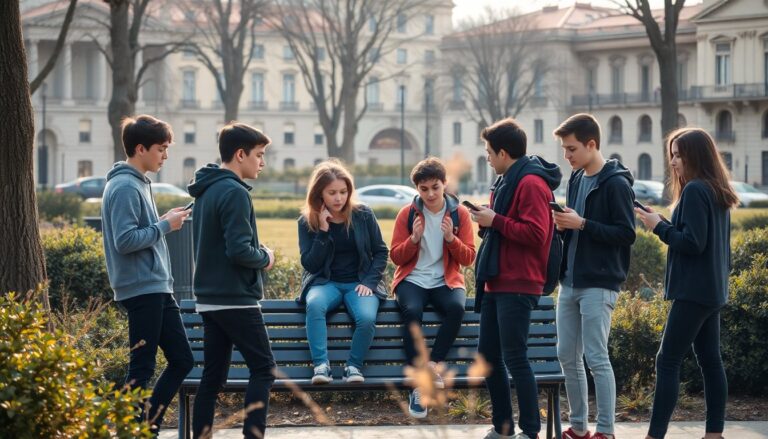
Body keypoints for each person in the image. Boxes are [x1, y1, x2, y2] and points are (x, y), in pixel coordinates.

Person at [636, 128, 737, 439]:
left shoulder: (695, 190)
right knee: (709, 360)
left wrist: (658, 228)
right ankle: (714, 433)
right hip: (712, 290)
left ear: (697, 156)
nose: (674, 162)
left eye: (679, 155)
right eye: (672, 155)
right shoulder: (716, 190)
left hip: (693, 292)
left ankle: (655, 435)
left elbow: (692, 243)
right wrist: (663, 222)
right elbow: (702, 240)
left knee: (667, 360)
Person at [101, 114, 193, 436]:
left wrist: (164, 221)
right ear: (140, 148)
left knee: (182, 359)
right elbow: (125, 241)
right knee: (142, 368)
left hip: (155, 287)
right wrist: (166, 225)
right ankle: (131, 432)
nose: (165, 155)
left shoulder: (137, 182)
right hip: (142, 288)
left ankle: (147, 428)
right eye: (161, 148)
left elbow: (142, 232)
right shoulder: (125, 186)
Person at [470, 118, 562, 439]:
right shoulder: (507, 180)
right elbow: (507, 225)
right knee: (489, 358)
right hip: (497, 279)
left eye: (489, 151)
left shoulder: (531, 183)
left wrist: (495, 220)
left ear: (504, 153)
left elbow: (537, 234)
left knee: (515, 358)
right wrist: (489, 220)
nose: (487, 157)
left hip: (519, 282)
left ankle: (530, 431)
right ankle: (503, 427)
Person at [187, 123, 276, 439]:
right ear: (241, 154)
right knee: (264, 370)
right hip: (235, 298)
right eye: (259, 155)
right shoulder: (235, 192)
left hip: (209, 299)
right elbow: (239, 250)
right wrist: (265, 257)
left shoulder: (207, 190)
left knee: (212, 378)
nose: (262, 162)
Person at [552, 113, 636, 439]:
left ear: (591, 145)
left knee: (596, 357)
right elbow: (575, 226)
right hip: (570, 281)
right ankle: (578, 427)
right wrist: (564, 225)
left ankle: (606, 431)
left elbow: (626, 233)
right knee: (566, 356)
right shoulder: (575, 178)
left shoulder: (615, 183)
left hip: (599, 283)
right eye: (564, 149)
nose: (567, 156)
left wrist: (582, 224)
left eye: (571, 149)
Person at [390, 157, 476, 418]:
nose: (430, 194)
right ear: (417, 188)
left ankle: (433, 365)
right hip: (413, 279)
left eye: (435, 187)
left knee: (456, 308)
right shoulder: (407, 214)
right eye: (424, 188)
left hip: (445, 279)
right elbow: (396, 256)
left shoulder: (459, 214)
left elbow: (469, 257)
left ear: (444, 185)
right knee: (412, 311)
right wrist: (414, 239)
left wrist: (451, 238)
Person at [297, 160, 388, 385]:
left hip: (360, 282)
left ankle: (353, 367)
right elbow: (310, 263)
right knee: (315, 305)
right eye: (332, 193)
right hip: (325, 282)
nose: (339, 198)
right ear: (319, 194)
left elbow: (380, 252)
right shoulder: (307, 220)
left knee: (366, 318)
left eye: (343, 192)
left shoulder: (363, 214)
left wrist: (370, 282)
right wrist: (323, 232)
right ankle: (321, 366)